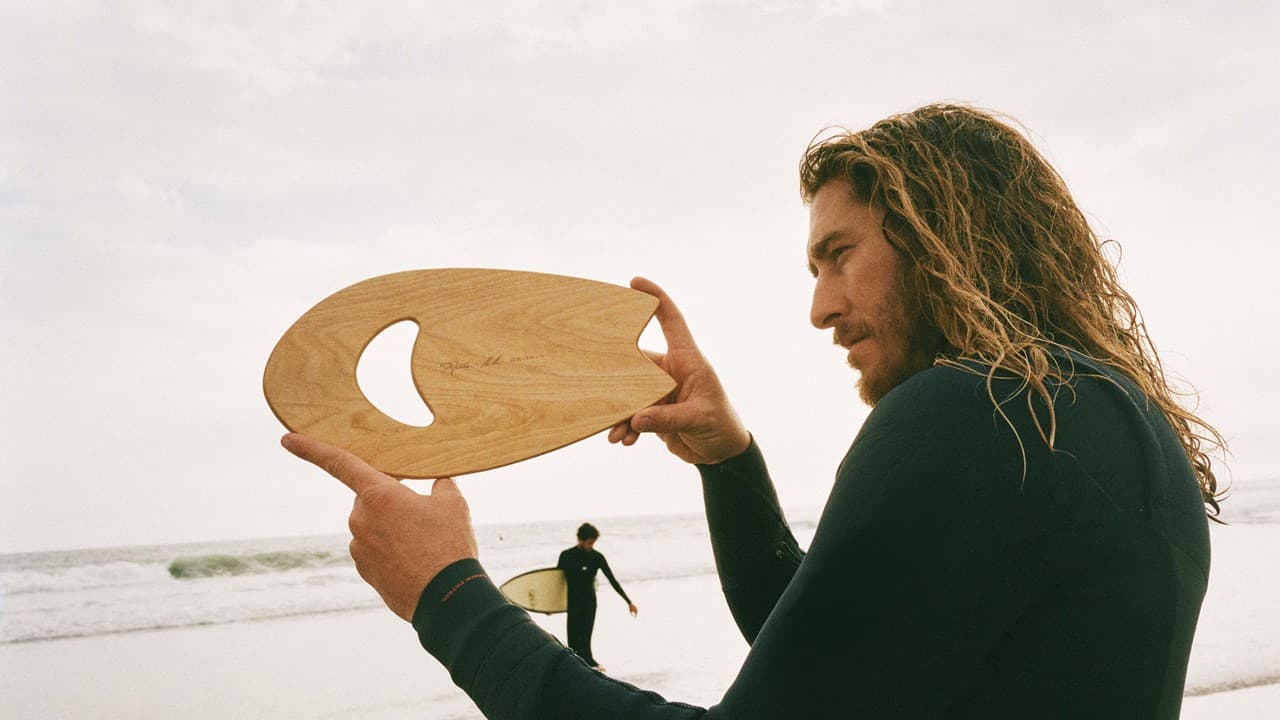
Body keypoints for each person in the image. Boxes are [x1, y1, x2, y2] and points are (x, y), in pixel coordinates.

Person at [281, 103, 1227, 718]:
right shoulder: (1095, 422)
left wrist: (446, 595)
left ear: (947, 235)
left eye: (840, 254)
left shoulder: (972, 411)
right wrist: (728, 462)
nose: (820, 307)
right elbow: (831, 660)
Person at [556, 522, 639, 671]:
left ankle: (588, 664)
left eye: (593, 543)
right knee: (573, 638)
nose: (591, 546)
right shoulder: (566, 556)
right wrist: (550, 605)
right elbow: (556, 583)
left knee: (586, 637)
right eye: (589, 543)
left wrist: (629, 602)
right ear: (580, 540)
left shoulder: (596, 557)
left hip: (589, 601)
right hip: (573, 602)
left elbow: (612, 580)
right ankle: (575, 666)